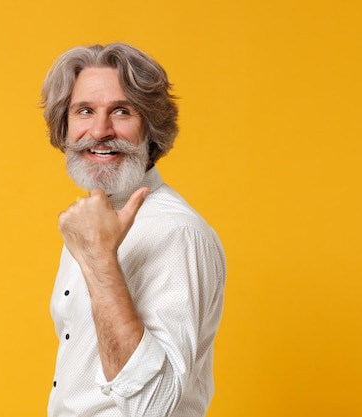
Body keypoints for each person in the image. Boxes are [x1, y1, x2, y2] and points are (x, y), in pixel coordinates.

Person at [41, 42, 226, 417]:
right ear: (65, 124)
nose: (100, 130)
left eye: (121, 111)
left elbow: (152, 406)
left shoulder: (177, 232)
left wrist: (100, 261)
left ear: (151, 126)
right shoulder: (93, 219)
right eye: (85, 111)